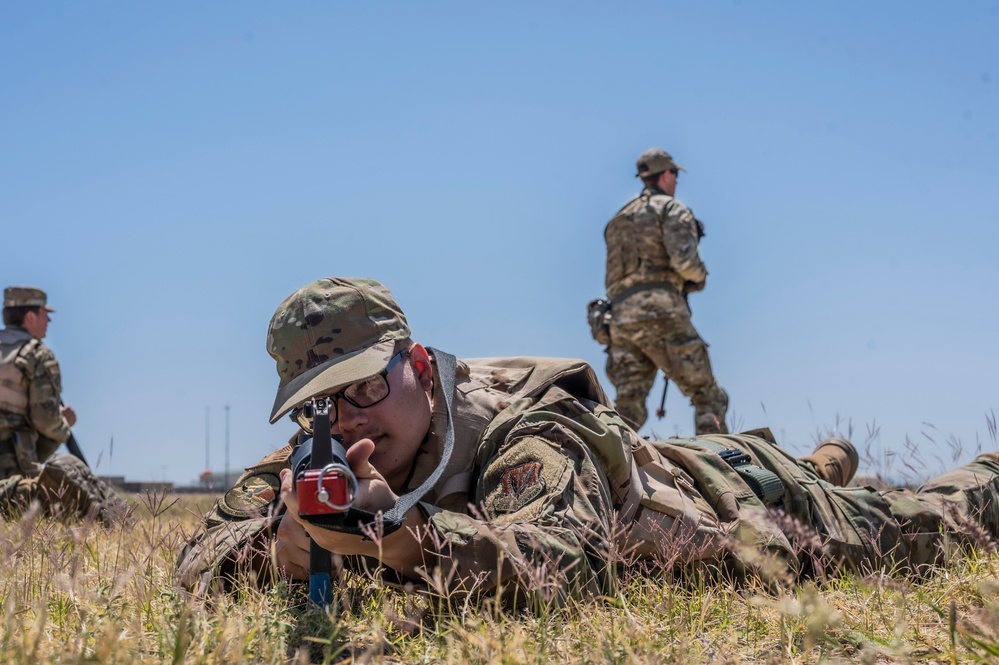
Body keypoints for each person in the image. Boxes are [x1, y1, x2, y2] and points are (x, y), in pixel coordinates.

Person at [178, 277, 999, 603]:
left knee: (932, 522)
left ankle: (827, 465)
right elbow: (197, 554)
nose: (347, 418)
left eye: (362, 385)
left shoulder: (531, 427)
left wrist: (399, 540)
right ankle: (824, 454)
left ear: (419, 367)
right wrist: (272, 549)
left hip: (733, 498)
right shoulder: (313, 458)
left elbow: (555, 561)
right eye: (319, 405)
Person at [600, 147, 728, 434]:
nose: (677, 181)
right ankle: (718, 467)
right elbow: (685, 262)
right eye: (675, 175)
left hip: (620, 321)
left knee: (627, 410)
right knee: (708, 396)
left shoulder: (618, 218)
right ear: (667, 174)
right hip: (662, 313)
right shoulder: (672, 209)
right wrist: (699, 277)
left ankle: (604, 469)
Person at [0, 286, 128, 525]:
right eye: (43, 313)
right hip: (12, 469)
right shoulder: (36, 355)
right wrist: (64, 424)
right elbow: (45, 421)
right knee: (63, 475)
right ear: (30, 316)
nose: (48, 319)